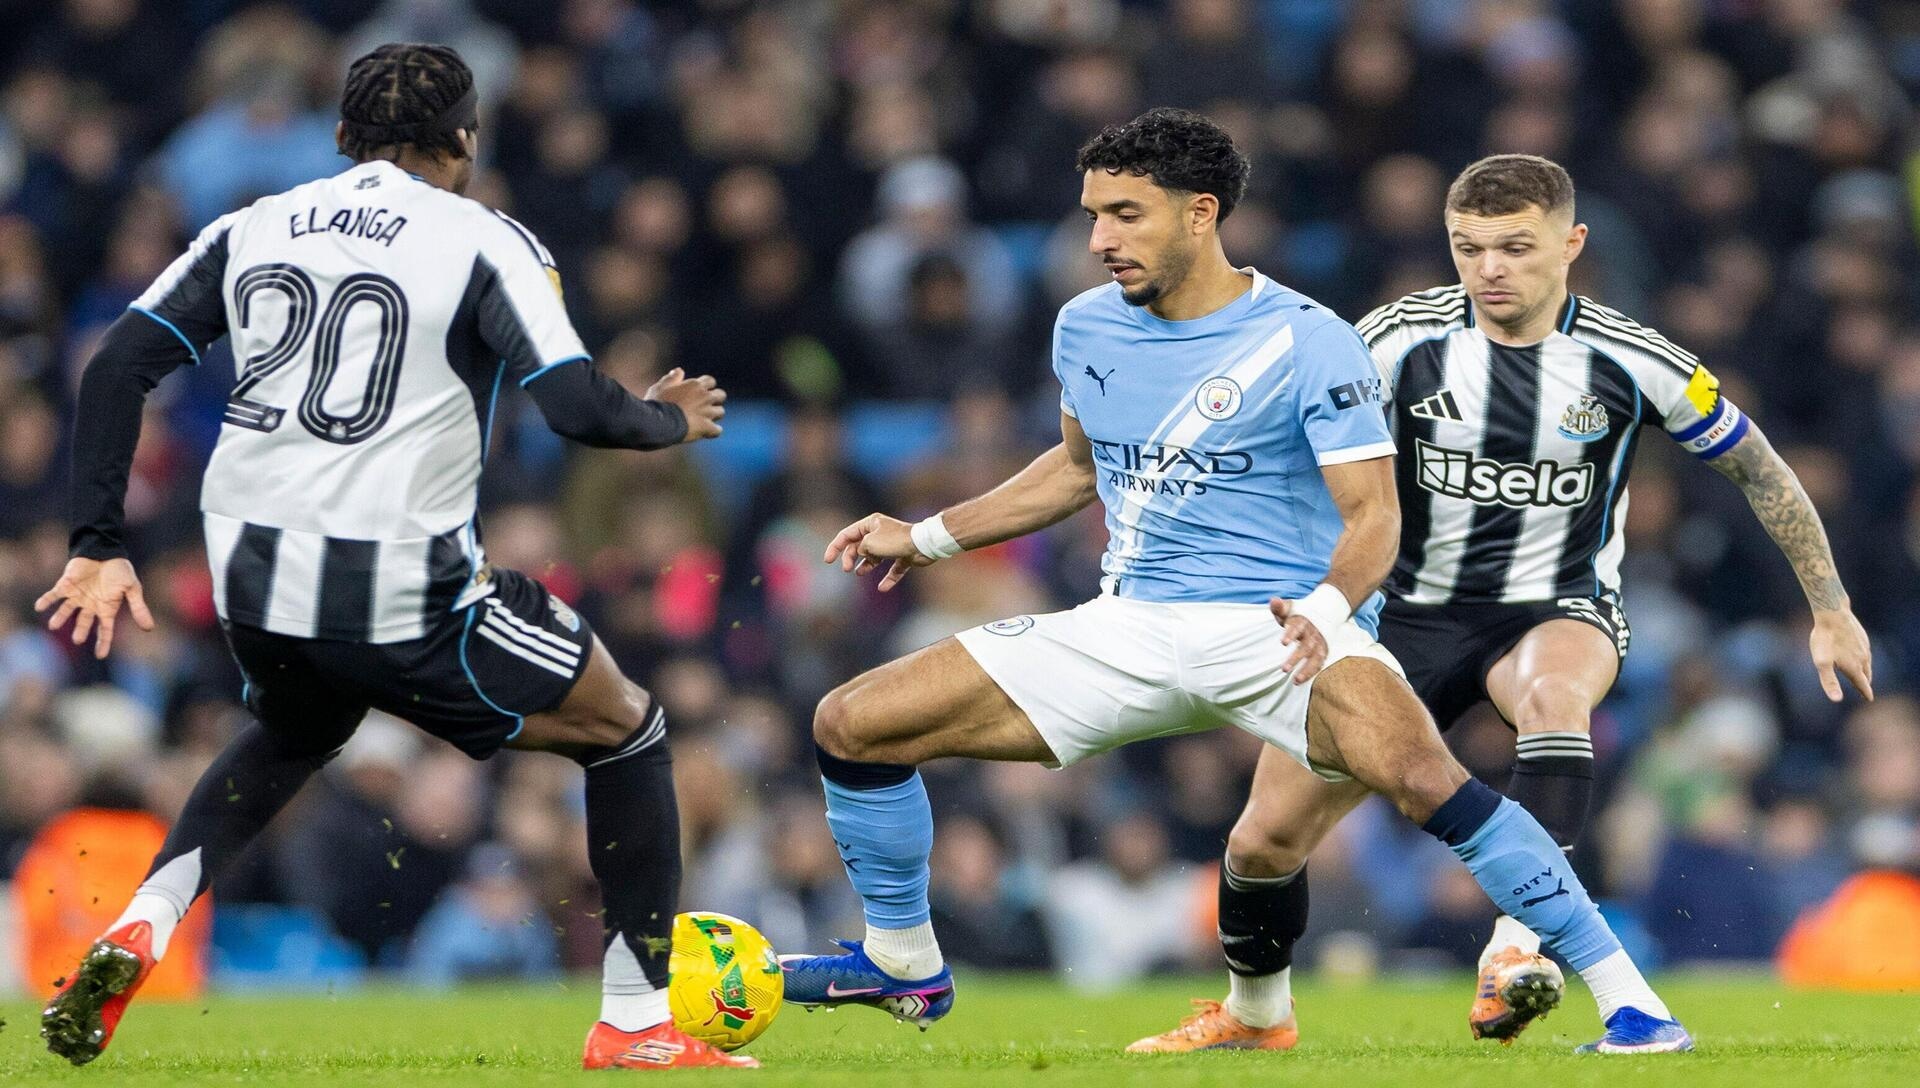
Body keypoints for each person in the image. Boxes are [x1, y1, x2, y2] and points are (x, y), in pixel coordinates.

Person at [775, 109, 1692, 1055]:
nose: (1100, 240)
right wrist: (926, 537)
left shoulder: (1309, 339)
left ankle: (1635, 1006)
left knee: (1428, 781)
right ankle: (903, 961)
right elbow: (1075, 470)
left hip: (1277, 627)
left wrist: (1329, 613)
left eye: (1126, 215)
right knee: (853, 722)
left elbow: (1377, 516)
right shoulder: (1085, 324)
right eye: (1095, 215)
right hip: (1126, 625)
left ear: (1200, 213)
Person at [33, 43, 751, 1071]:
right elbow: (580, 408)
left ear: (341, 138)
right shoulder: (481, 237)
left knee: (298, 725)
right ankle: (635, 1021)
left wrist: (99, 543)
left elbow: (114, 366)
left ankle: (143, 917)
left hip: (252, 580)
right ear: (465, 139)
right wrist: (670, 421)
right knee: (628, 727)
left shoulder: (252, 224)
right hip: (397, 586)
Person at [1133, 153, 1873, 1054]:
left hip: (1553, 605)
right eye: (1469, 248)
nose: (1490, 270)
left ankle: (1515, 945)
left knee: (1555, 701)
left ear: (1572, 244)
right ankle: (1255, 1015)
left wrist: (1829, 608)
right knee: (1260, 844)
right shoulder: (1397, 337)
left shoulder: (1632, 357)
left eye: (1516, 248)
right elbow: (1284, 443)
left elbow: (1760, 468)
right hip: (1394, 614)